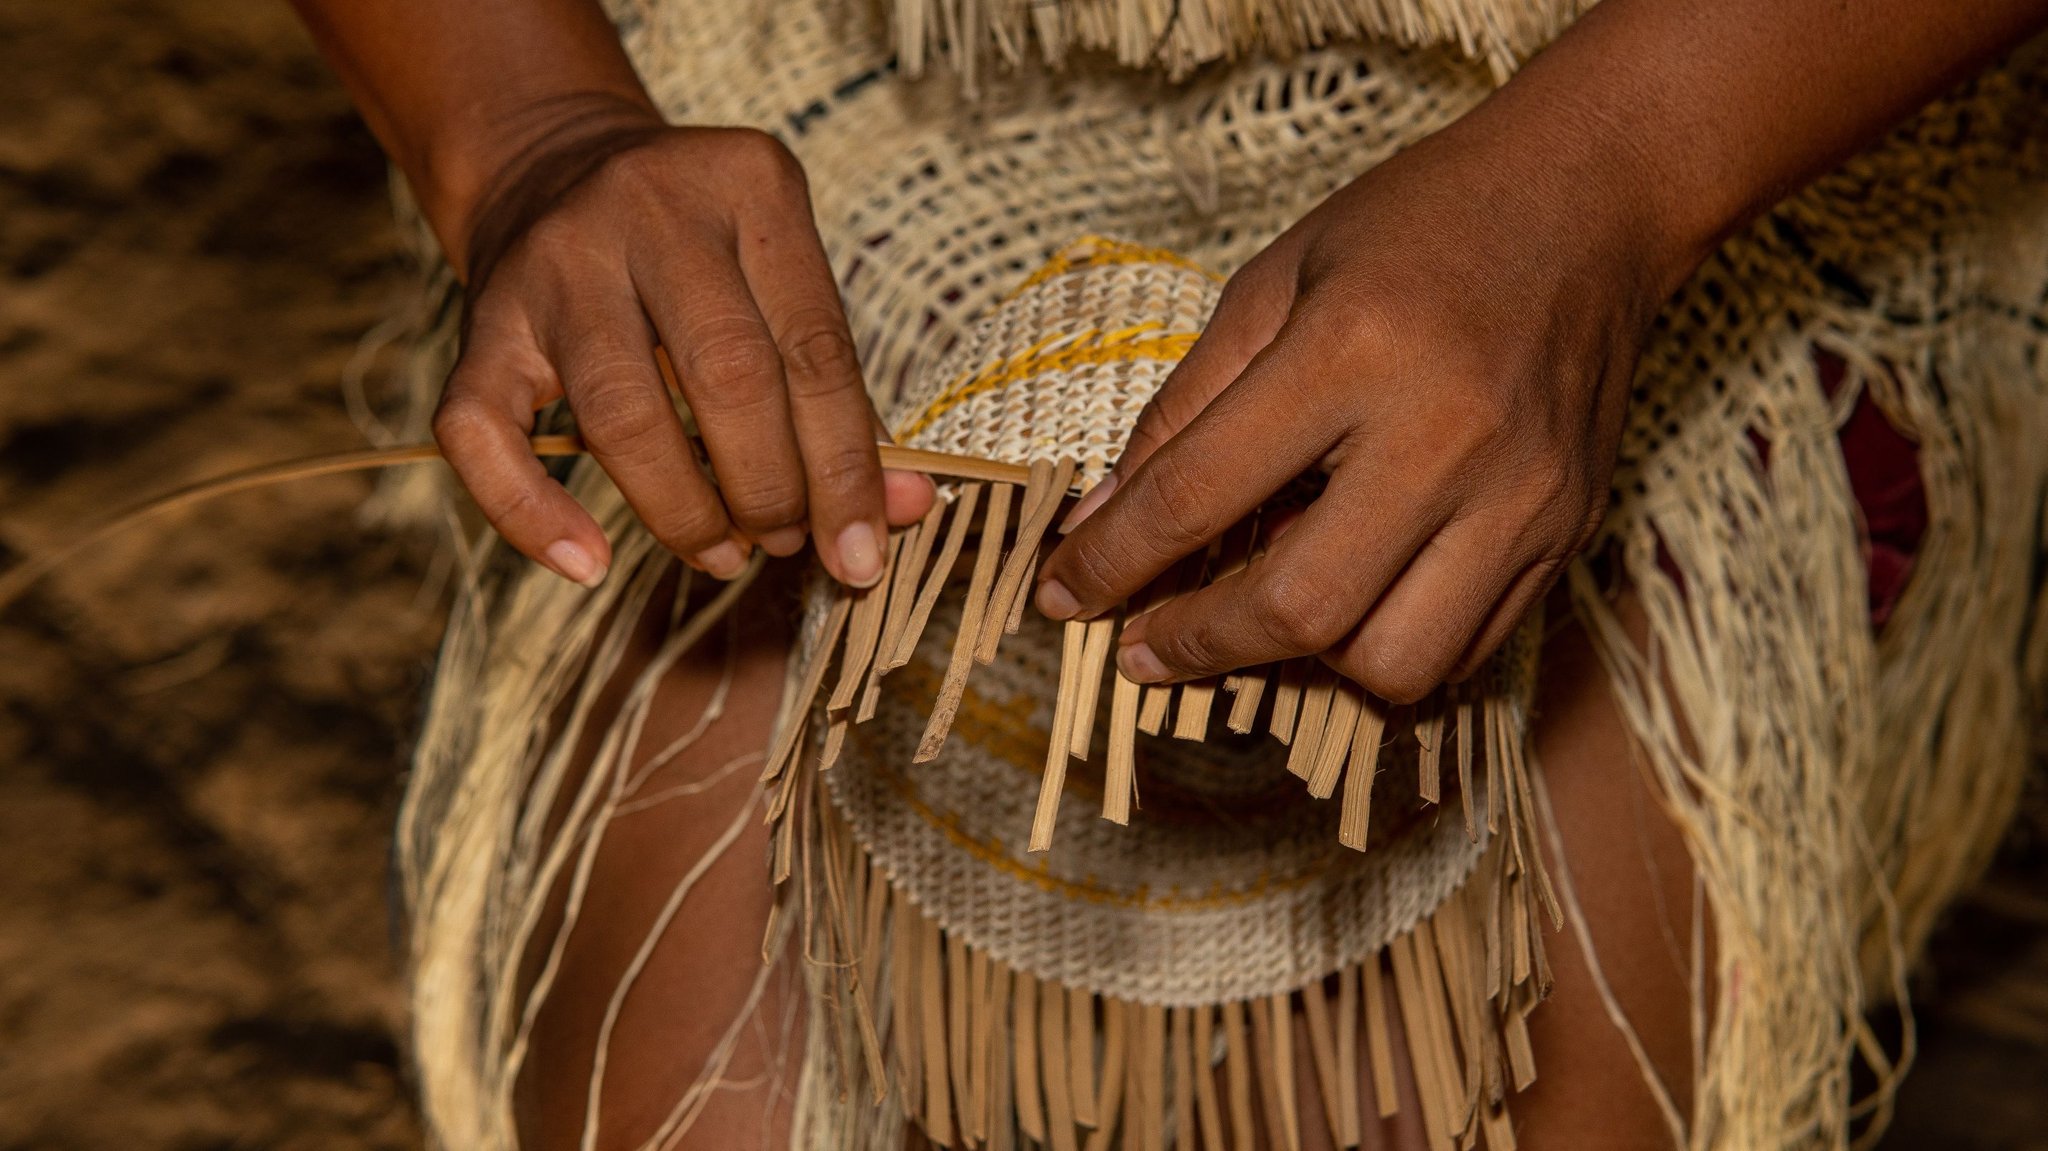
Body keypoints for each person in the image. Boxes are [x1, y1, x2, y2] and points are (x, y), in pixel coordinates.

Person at [288, 0, 2048, 1147]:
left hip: (1701, 104)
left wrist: (1614, 178)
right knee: (709, 1103)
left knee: (1453, 1088)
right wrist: (532, 135)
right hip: (813, 110)